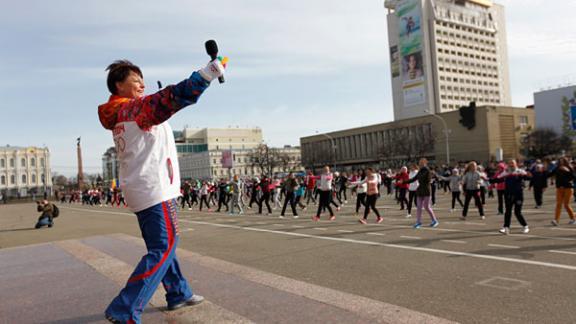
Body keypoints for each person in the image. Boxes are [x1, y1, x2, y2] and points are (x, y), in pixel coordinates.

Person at [98, 58, 225, 323]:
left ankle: (178, 291)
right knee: (164, 247)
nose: (141, 84)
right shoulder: (135, 110)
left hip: (141, 187)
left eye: (142, 79)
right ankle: (124, 308)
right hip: (154, 186)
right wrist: (205, 75)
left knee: (162, 244)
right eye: (135, 80)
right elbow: (170, 98)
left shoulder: (120, 112)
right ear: (119, 85)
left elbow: (161, 108)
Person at [492, 159, 530, 235]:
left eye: (512, 163)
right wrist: (491, 180)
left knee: (517, 212)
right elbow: (498, 179)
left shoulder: (520, 171)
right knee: (508, 211)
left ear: (516, 164)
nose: (511, 164)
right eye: (509, 163)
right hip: (508, 194)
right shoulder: (506, 172)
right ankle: (506, 228)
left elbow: (528, 177)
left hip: (518, 194)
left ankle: (525, 226)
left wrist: (526, 176)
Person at [403, 158, 439, 229]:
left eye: (421, 163)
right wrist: (404, 182)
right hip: (419, 190)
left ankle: (434, 221)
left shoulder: (428, 171)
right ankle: (418, 222)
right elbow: (413, 179)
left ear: (425, 163)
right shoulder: (419, 172)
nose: (420, 164)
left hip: (426, 190)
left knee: (427, 207)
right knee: (419, 207)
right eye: (419, 163)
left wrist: (421, 177)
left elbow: (427, 180)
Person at [549, 157, 576, 226]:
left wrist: (567, 171)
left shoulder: (569, 167)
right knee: (558, 204)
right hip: (559, 188)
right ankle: (556, 220)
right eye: (560, 161)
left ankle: (573, 218)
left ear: (565, 161)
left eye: (562, 161)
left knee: (566, 205)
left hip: (568, 188)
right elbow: (550, 174)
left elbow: (573, 177)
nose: (561, 162)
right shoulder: (557, 168)